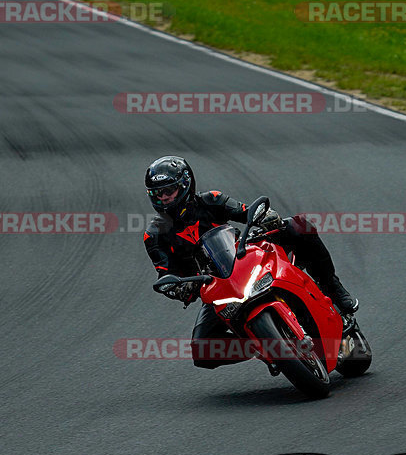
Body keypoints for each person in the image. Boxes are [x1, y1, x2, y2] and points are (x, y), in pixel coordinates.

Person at [143, 155, 358, 369]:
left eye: (167, 192)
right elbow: (164, 274)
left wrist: (265, 216)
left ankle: (333, 288)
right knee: (202, 351)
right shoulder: (153, 236)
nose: (163, 198)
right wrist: (178, 287)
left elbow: (246, 212)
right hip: (217, 287)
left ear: (184, 185)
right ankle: (263, 345)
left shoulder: (211, 199)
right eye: (156, 194)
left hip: (246, 257)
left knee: (298, 226)